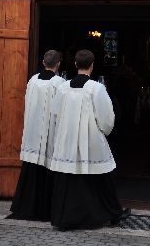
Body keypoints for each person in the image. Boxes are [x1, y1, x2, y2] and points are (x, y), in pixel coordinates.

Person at [47, 49, 129, 230]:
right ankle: (106, 213)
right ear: (92, 66)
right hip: (90, 138)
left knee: (68, 177)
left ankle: (65, 218)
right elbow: (106, 117)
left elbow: (56, 113)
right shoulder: (97, 88)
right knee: (99, 176)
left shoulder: (63, 87)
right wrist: (104, 131)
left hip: (67, 140)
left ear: (75, 65)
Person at [10, 50, 64, 221]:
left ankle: (27, 207)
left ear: (43, 62)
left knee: (32, 170)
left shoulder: (32, 80)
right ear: (59, 64)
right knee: (48, 171)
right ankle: (45, 210)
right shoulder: (59, 83)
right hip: (50, 134)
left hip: (32, 133)